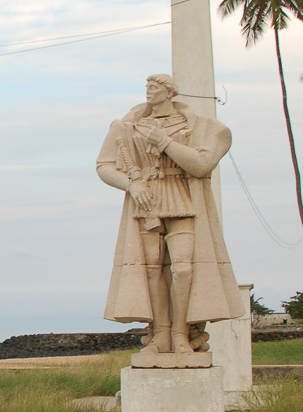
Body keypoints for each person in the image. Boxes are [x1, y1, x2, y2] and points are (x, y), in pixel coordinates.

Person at [96, 74, 243, 354]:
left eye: (155, 87)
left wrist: (165, 142)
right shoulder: (129, 126)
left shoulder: (199, 126)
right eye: (147, 88)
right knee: (152, 270)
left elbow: (201, 166)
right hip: (147, 200)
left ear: (169, 92)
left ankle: (181, 334)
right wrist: (132, 183)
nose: (149, 92)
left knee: (184, 268)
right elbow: (104, 165)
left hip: (180, 195)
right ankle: (160, 334)